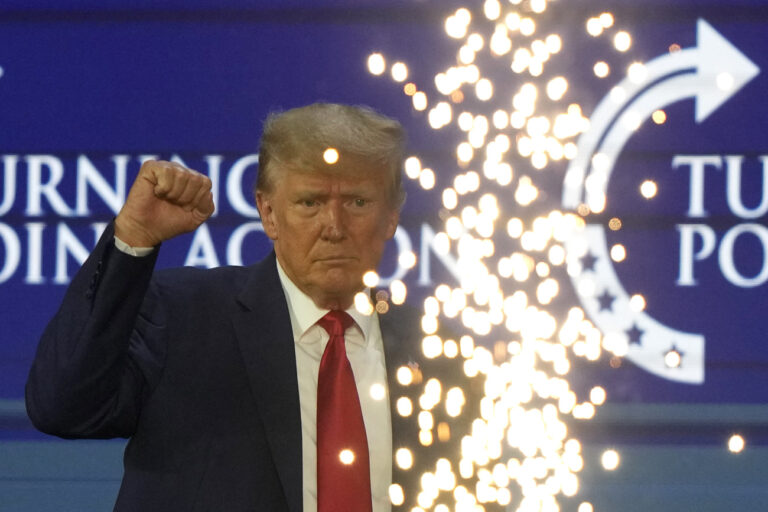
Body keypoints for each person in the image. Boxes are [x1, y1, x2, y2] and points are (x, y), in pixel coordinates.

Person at [26, 103, 441, 512]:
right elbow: (64, 408)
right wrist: (133, 237)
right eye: (310, 203)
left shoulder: (437, 352)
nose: (334, 227)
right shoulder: (183, 316)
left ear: (391, 216)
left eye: (357, 202)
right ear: (268, 213)